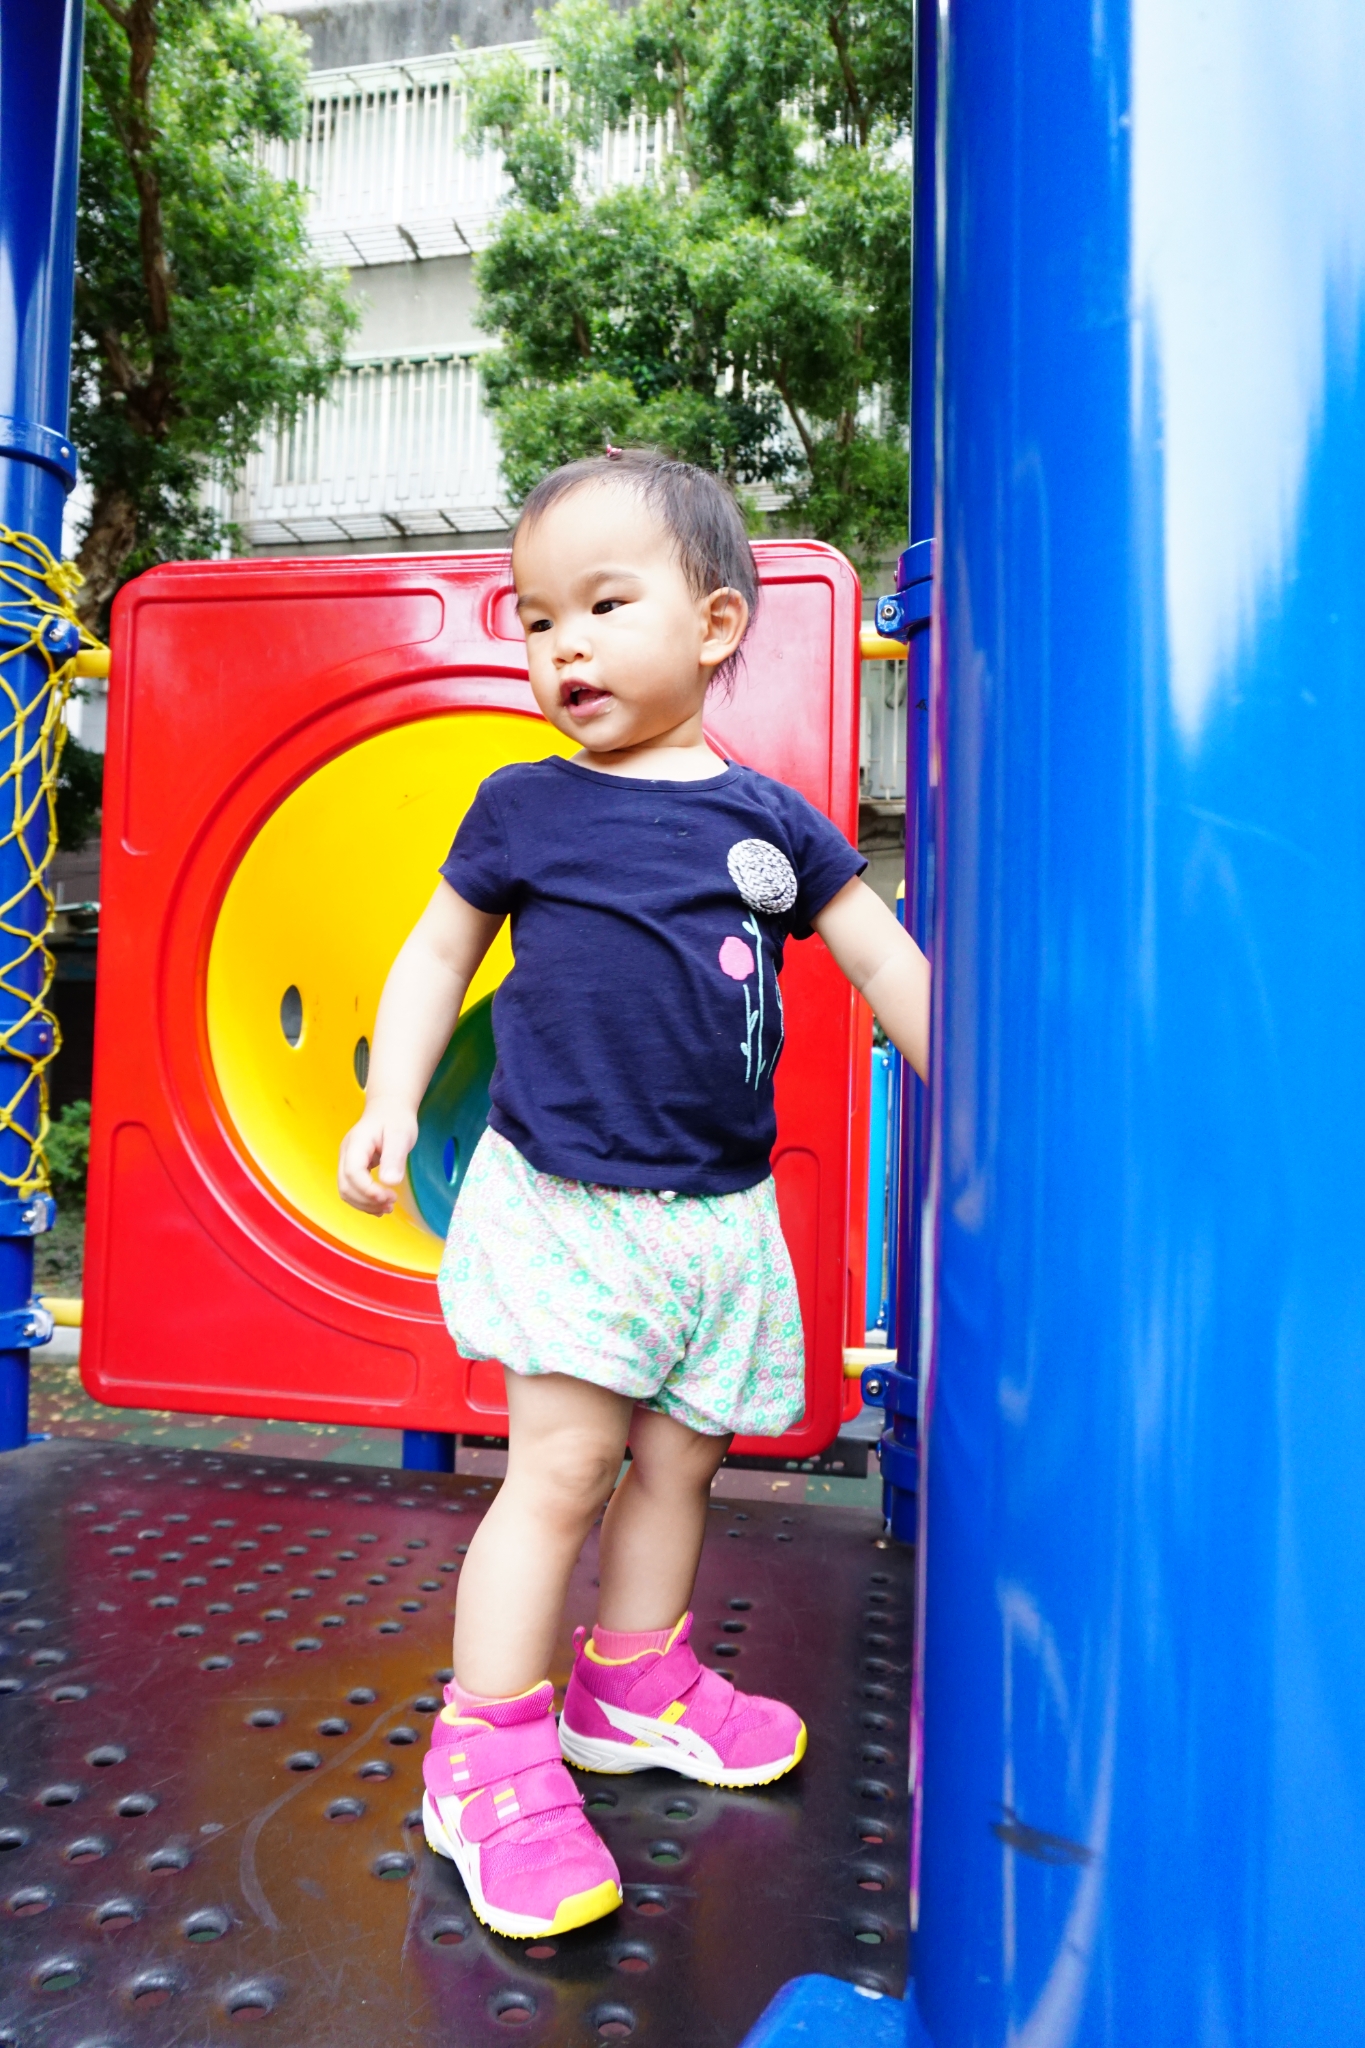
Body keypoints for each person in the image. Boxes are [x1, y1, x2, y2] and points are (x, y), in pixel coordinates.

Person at [337, 449, 930, 1941]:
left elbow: (876, 956)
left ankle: (630, 1686)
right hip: (567, 1200)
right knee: (559, 1470)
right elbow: (435, 955)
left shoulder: (774, 821)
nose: (565, 647)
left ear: (716, 624)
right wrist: (393, 1097)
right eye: (538, 620)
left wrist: (987, 1086)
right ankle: (484, 1754)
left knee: (680, 1461)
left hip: (715, 1218)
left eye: (603, 606)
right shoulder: (522, 807)